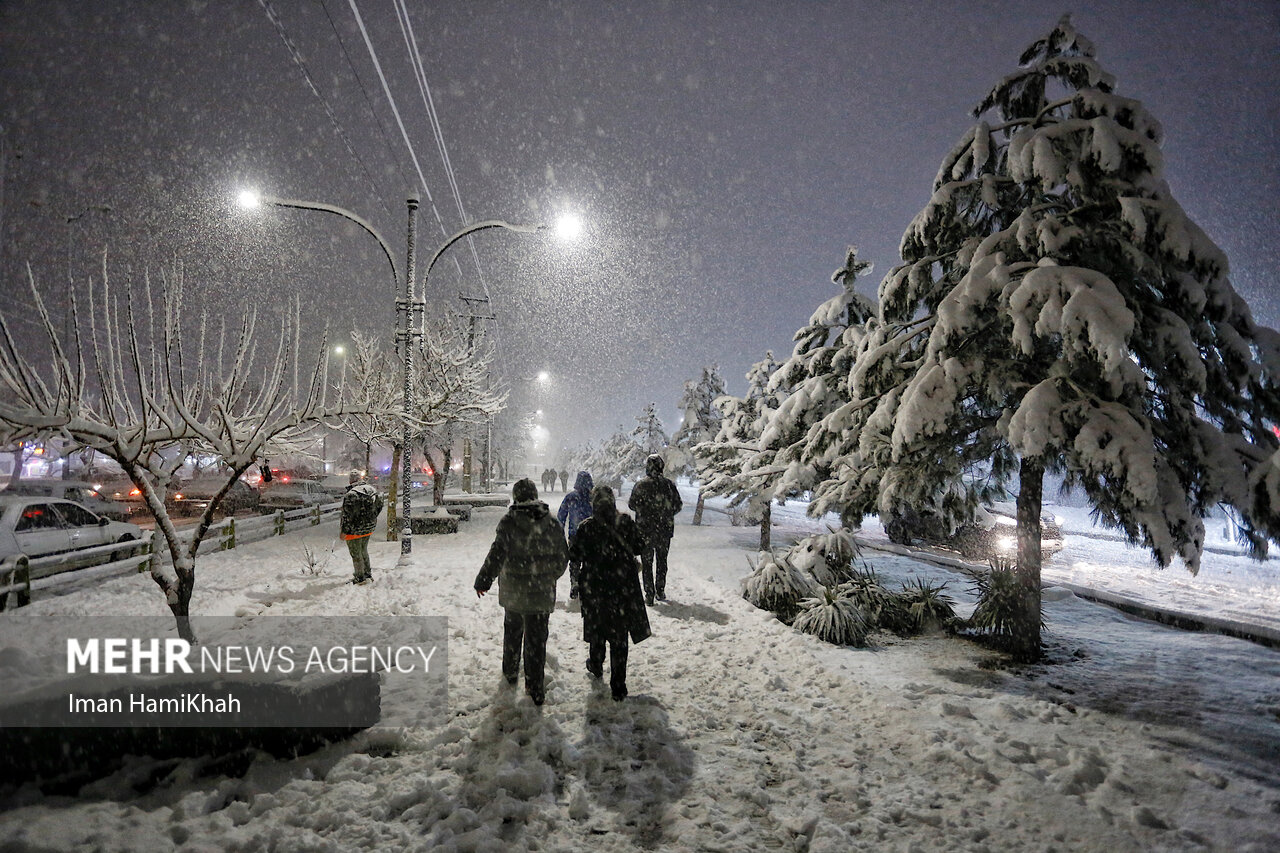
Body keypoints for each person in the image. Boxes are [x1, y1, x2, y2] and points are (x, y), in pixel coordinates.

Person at [474, 478, 568, 706]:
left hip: (514, 593)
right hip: (541, 593)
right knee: (537, 641)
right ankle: (535, 688)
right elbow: (562, 556)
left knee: (512, 633)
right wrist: (547, 577)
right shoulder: (552, 523)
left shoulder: (509, 522)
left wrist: (484, 580)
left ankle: (510, 674)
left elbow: (496, 554)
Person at [569, 485, 649, 701]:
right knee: (619, 636)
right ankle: (618, 684)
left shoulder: (586, 527)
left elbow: (574, 555)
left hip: (594, 589)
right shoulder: (625, 523)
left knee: (596, 630)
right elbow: (640, 546)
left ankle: (595, 664)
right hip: (622, 589)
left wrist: (577, 580)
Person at [628, 454, 683, 605]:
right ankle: (660, 589)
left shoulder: (641, 485)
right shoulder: (669, 485)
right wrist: (666, 514)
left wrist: (644, 512)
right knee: (662, 560)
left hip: (645, 530)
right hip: (664, 530)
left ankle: (649, 593)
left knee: (647, 562)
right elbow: (678, 505)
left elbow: (632, 504)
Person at [557, 470, 595, 599]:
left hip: (575, 534)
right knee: (589, 560)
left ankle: (574, 581)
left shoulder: (571, 497)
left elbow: (561, 515)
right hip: (591, 534)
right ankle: (587, 584)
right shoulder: (593, 498)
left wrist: (560, 528)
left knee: (574, 560)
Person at [341, 471, 384, 584]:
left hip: (354, 530)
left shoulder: (351, 494)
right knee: (363, 550)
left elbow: (347, 516)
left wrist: (344, 531)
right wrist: (371, 518)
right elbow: (379, 505)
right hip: (368, 528)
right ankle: (367, 574)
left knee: (356, 553)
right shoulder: (372, 490)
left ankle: (360, 577)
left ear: (351, 480)